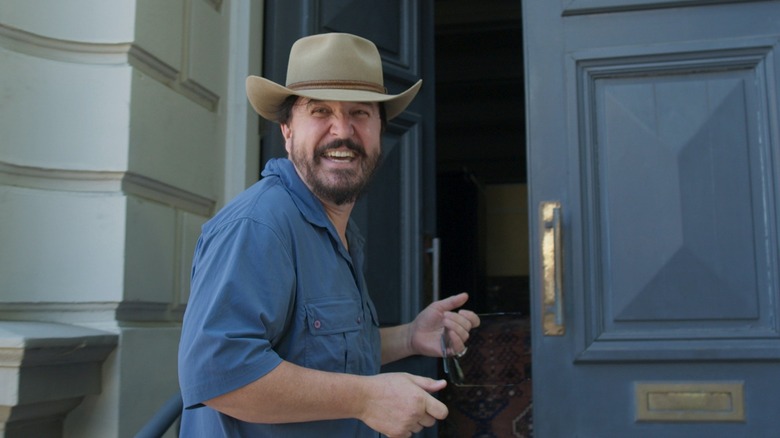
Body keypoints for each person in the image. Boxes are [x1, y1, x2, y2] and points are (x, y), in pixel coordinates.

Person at [178, 32, 480, 437]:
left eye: (360, 113)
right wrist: (366, 398)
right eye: (320, 111)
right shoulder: (258, 226)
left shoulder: (341, 232)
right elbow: (221, 374)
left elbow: (325, 349)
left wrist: (410, 337)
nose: (342, 130)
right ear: (287, 131)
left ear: (379, 133)